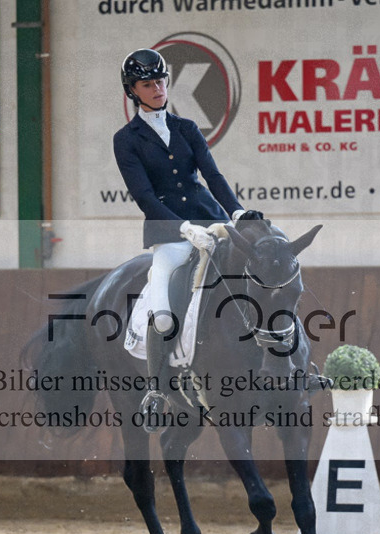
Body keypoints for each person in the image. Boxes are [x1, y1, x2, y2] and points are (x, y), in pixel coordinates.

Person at [113, 48, 262, 430]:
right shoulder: (126, 139)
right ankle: (156, 390)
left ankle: (281, 364)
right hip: (169, 233)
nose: (159, 88)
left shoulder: (187, 129)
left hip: (210, 222)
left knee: (258, 273)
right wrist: (181, 229)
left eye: (162, 81)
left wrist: (236, 212)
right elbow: (144, 195)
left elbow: (212, 176)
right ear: (134, 91)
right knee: (162, 315)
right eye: (149, 84)